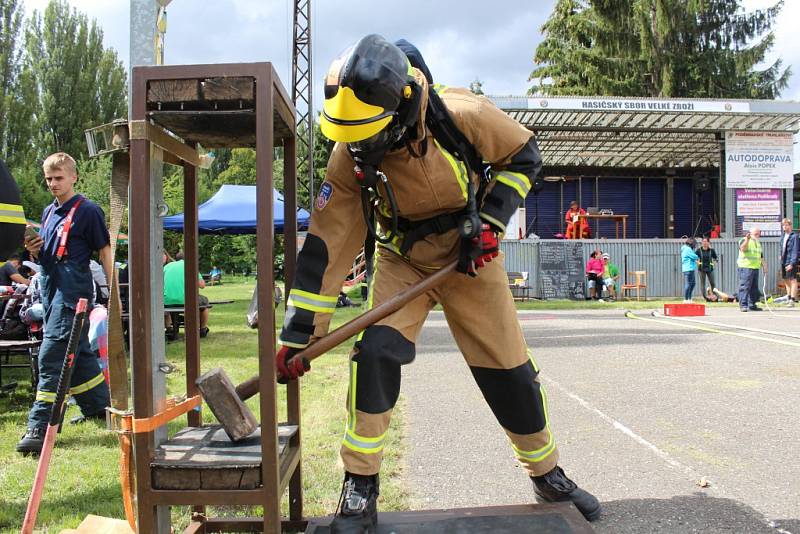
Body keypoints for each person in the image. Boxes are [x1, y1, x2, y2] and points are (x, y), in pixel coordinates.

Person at [274, 35, 601, 531]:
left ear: (402, 107)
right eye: (350, 138)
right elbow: (328, 244)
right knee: (375, 356)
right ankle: (361, 485)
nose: (358, 148)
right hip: (403, 260)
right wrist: (300, 334)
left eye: (366, 136)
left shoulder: (464, 114)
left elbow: (524, 157)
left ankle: (547, 474)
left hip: (471, 258)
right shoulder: (351, 155)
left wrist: (489, 225)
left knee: (508, 370)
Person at [18, 152, 112, 454]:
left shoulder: (89, 211)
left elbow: (104, 251)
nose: (53, 184)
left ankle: (40, 424)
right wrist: (34, 249)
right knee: (80, 352)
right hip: (49, 283)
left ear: (74, 177)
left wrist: (116, 292)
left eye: (59, 178)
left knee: (52, 350)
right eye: (48, 179)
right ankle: (99, 407)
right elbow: (49, 253)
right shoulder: (48, 212)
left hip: (73, 290)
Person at [163, 250, 210, 337]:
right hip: (187, 300)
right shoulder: (191, 266)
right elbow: (202, 285)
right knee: (204, 302)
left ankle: (169, 328)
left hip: (167, 301)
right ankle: (203, 329)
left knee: (164, 305)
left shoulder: (166, 267)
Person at [737, 227, 765, 312]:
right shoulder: (744, 240)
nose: (758, 235)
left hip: (755, 267)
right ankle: (743, 305)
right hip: (746, 267)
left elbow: (760, 255)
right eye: (756, 234)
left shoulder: (757, 242)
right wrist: (747, 240)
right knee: (745, 287)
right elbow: (743, 249)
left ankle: (752, 304)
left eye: (759, 234)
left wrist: (764, 265)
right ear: (750, 233)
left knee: (754, 288)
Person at [776, 218, 798, 307]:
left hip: (790, 261)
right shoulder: (783, 235)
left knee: (793, 280)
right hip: (784, 261)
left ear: (790, 225)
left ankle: (792, 300)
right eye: (783, 225)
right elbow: (782, 247)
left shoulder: (794, 236)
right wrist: (780, 255)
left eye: (786, 225)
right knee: (785, 279)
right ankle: (788, 297)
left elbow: (795, 250)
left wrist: (792, 263)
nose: (784, 226)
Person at [680, 237, 699, 303]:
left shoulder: (686, 249)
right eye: (694, 244)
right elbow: (694, 256)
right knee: (688, 284)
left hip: (690, 268)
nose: (695, 246)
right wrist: (696, 256)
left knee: (693, 284)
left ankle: (689, 299)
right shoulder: (687, 249)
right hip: (689, 268)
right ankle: (686, 299)